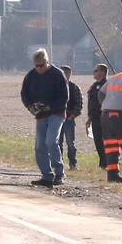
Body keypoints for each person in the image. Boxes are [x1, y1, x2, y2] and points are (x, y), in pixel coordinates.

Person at [20, 48, 70, 186]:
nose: (39, 69)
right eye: (36, 66)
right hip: (41, 115)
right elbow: (24, 94)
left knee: (51, 141)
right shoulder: (31, 76)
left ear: (47, 62)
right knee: (40, 146)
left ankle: (59, 173)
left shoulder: (58, 74)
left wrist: (49, 107)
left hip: (56, 113)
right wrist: (31, 107)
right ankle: (46, 175)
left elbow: (64, 97)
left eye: (41, 65)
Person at [60, 65, 83, 171]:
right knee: (56, 143)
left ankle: (73, 164)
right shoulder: (55, 86)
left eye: (66, 73)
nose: (65, 75)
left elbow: (79, 104)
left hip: (69, 119)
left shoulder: (74, 87)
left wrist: (73, 115)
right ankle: (58, 164)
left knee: (70, 143)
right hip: (57, 119)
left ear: (70, 74)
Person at [85, 63, 108, 169]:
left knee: (104, 141)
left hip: (103, 117)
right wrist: (89, 118)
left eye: (96, 70)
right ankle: (102, 163)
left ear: (102, 73)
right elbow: (92, 103)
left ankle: (106, 163)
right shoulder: (94, 86)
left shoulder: (106, 85)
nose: (94, 72)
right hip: (94, 117)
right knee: (98, 141)